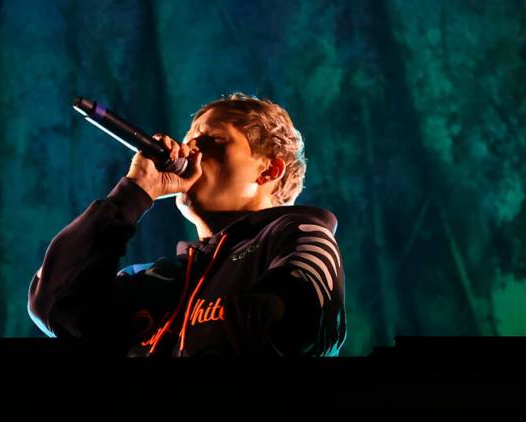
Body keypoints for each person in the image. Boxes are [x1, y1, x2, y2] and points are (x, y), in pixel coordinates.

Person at [27, 92, 345, 357]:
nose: (190, 151)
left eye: (214, 140)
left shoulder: (299, 236)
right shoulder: (156, 281)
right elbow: (56, 306)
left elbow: (302, 312)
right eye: (189, 140)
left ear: (268, 171)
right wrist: (134, 192)